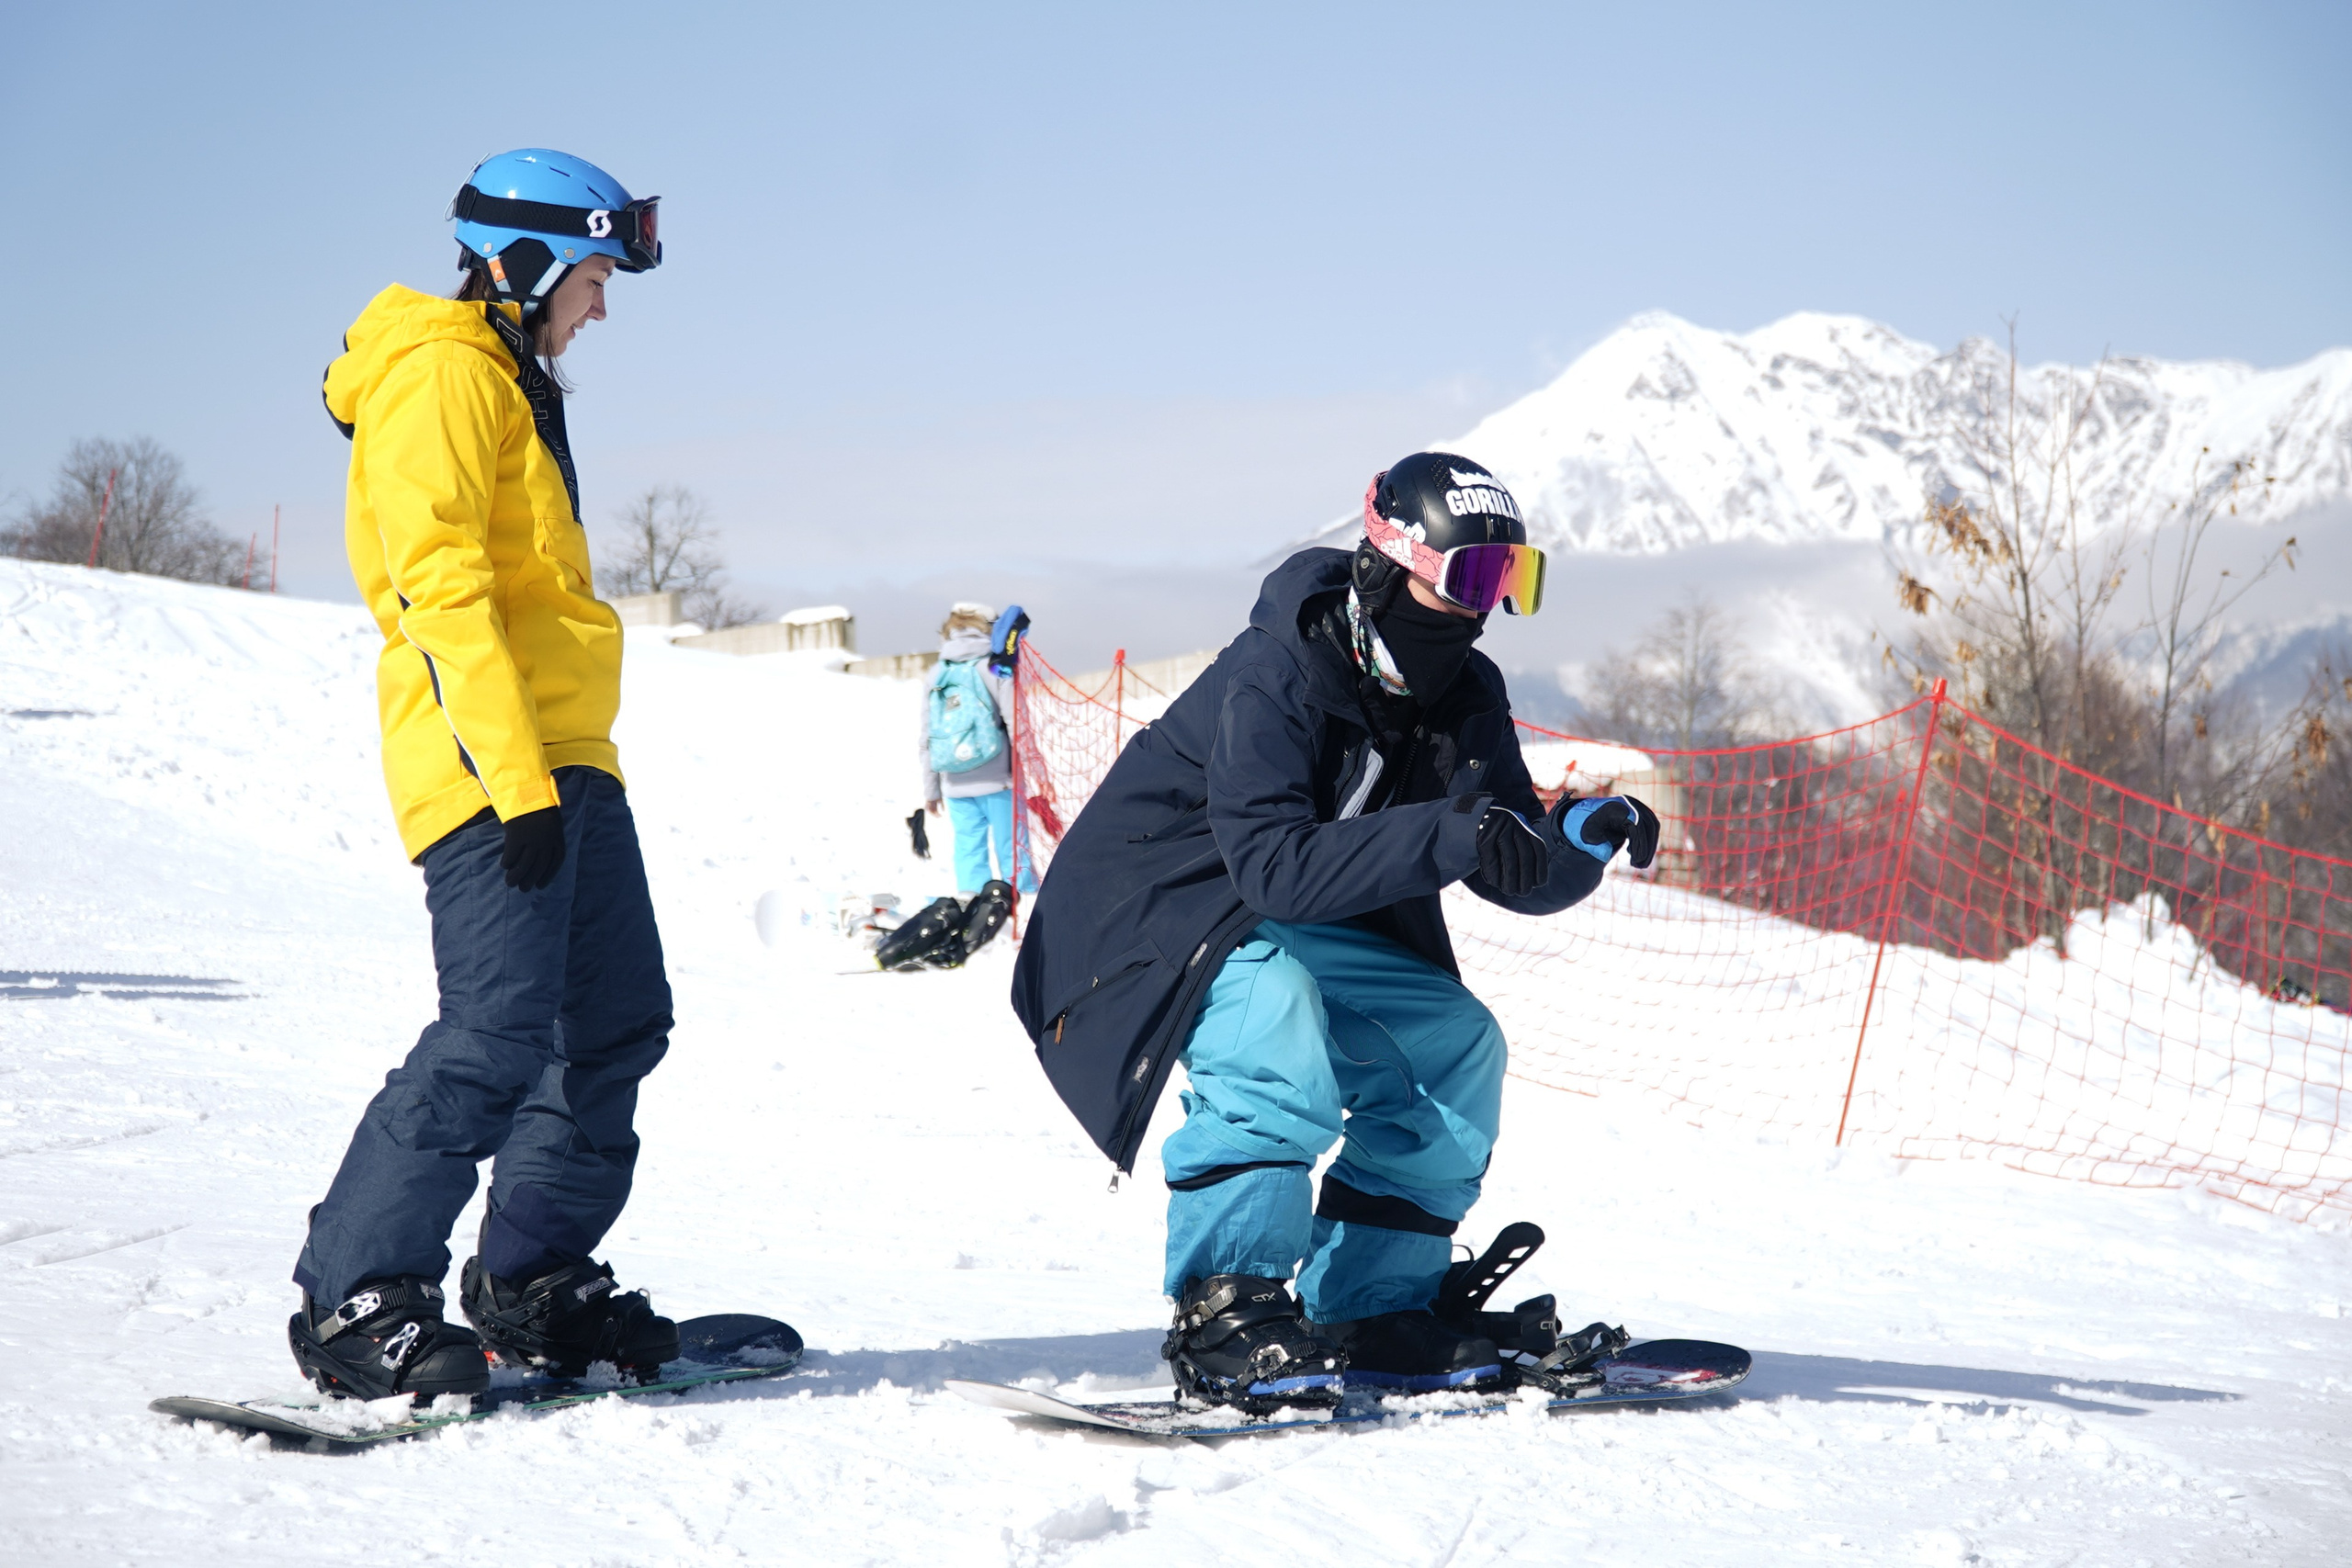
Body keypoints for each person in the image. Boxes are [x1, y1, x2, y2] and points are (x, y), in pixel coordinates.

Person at [1010, 453, 1660, 1413]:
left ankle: (1371, 1303)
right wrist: (1456, 828)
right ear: (1391, 566)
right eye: (1473, 576)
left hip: (1291, 910)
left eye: (1512, 579)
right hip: (1154, 911)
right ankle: (1226, 1310)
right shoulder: (1278, 671)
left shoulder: (1464, 690)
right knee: (1272, 1021)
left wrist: (1572, 841)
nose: (1487, 607)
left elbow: (1502, 855)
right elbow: (1270, 863)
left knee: (1455, 1041)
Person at [291, 149, 689, 1402]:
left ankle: (529, 1276)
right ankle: (358, 1293)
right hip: (488, 764)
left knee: (615, 1020)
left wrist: (566, 772)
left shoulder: (511, 381)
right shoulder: (442, 376)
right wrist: (516, 785)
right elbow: (441, 591)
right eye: (593, 280)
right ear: (525, 266)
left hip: (569, 757)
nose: (601, 309)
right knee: (493, 1035)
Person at [920, 602, 1036, 900]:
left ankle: (974, 906)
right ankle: (1022, 905)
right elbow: (1018, 725)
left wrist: (932, 789)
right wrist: (1037, 775)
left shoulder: (937, 673)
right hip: (999, 780)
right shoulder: (997, 667)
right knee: (1012, 848)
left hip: (954, 780)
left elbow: (927, 736)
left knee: (968, 849)